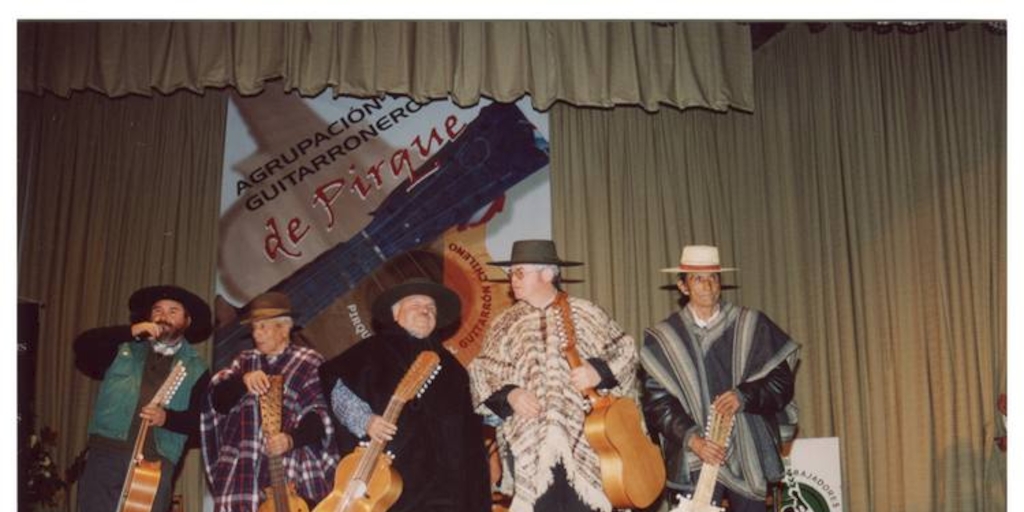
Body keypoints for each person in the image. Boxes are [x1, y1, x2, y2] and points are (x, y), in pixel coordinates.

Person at [468, 239, 639, 512]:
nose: (512, 279)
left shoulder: (587, 313)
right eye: (512, 273)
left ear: (547, 274)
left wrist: (597, 372)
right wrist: (511, 394)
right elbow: (481, 372)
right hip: (528, 446)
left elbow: (626, 353)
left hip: (589, 442)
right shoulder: (504, 324)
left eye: (519, 272)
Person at [640, 245, 799, 512]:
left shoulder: (752, 325)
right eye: (697, 278)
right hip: (694, 458)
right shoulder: (665, 340)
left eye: (713, 277)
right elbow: (658, 404)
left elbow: (782, 385)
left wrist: (744, 396)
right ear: (683, 286)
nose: (707, 285)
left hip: (748, 453)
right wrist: (693, 440)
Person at [318, 277, 492, 512]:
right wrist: (365, 421)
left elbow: (471, 424)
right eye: (416, 305)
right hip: (393, 482)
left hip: (447, 486)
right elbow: (339, 389)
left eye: (431, 308)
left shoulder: (453, 369)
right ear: (395, 312)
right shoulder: (369, 352)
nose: (425, 310)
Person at [73, 285, 213, 512]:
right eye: (157, 309)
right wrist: (130, 331)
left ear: (187, 321)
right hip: (106, 453)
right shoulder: (122, 348)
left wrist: (167, 418)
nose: (163, 316)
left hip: (155, 462)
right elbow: (82, 346)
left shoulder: (197, 369)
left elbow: (202, 425)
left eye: (173, 311)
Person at [200, 291, 339, 511]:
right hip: (242, 465)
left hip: (289, 463)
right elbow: (218, 401)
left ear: (284, 328)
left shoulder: (308, 361)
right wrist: (243, 381)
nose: (257, 334)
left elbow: (319, 415)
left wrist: (291, 439)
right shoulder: (244, 361)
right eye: (254, 328)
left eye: (263, 326)